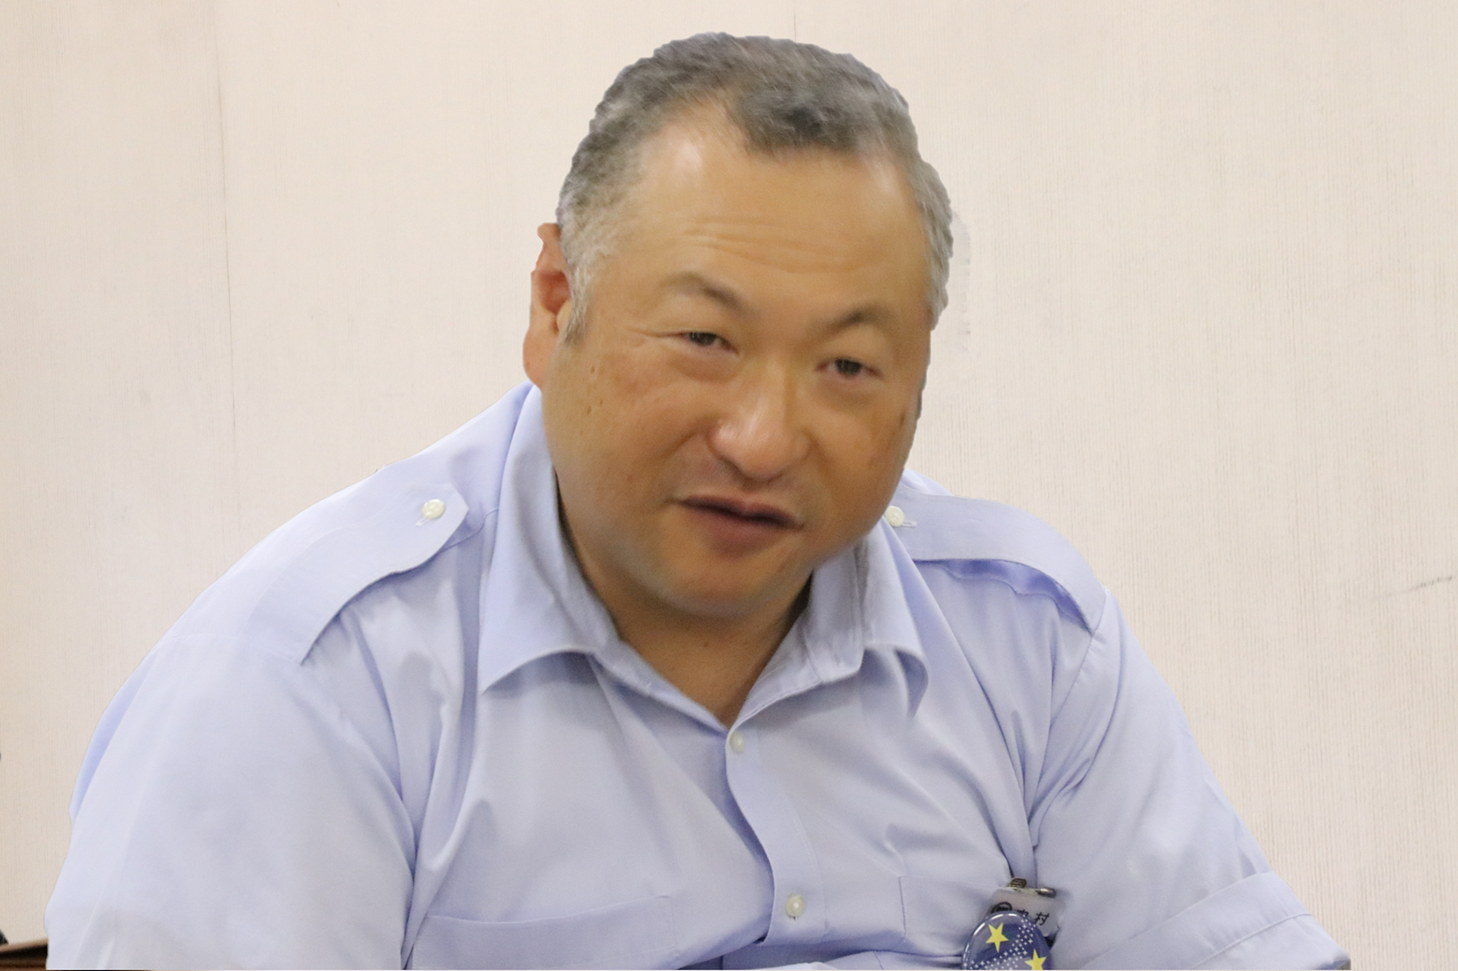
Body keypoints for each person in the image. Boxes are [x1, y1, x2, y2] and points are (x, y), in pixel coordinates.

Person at [46, 34, 1347, 970]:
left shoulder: (1028, 639)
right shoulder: (308, 686)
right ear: (554, 303)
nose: (764, 438)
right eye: (705, 341)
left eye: (847, 366)